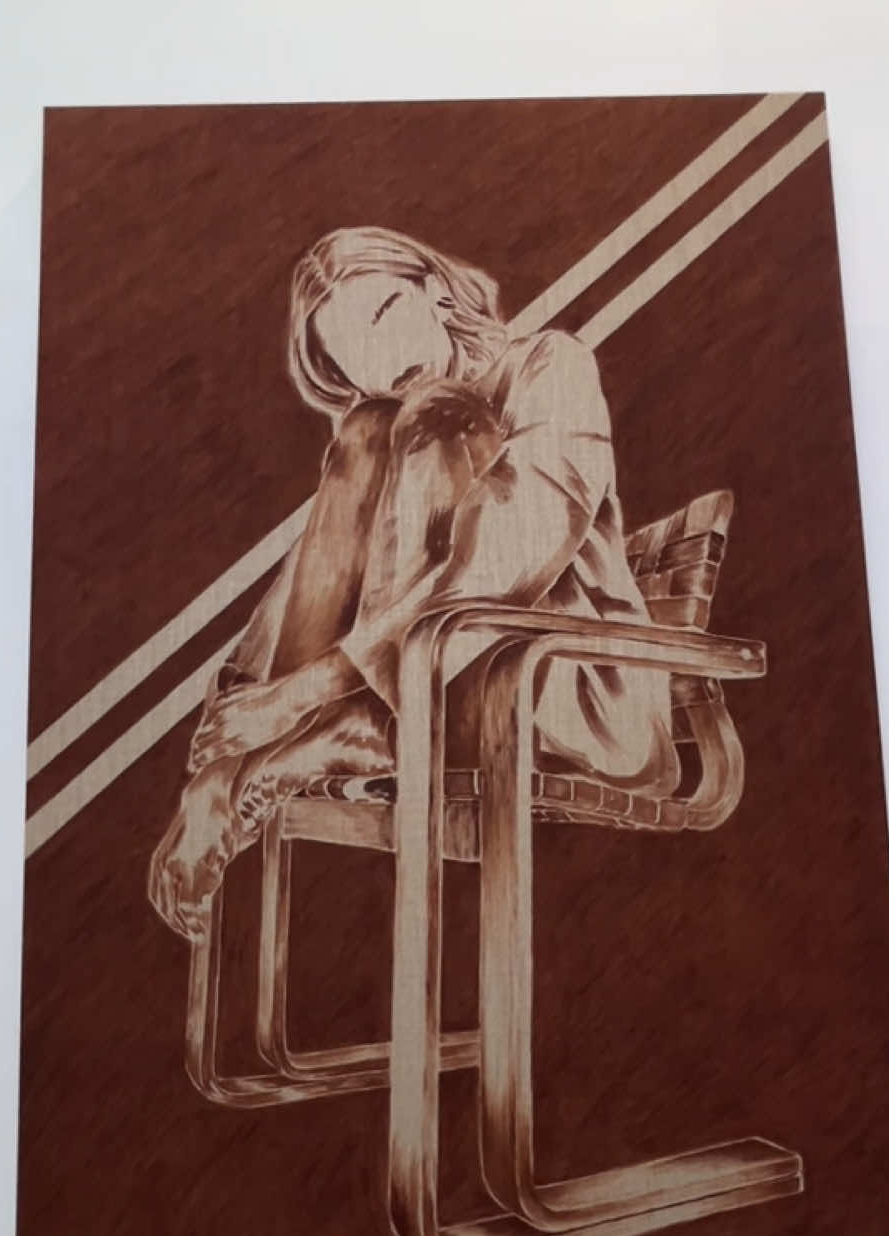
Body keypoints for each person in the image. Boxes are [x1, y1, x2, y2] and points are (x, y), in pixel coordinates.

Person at [149, 226, 678, 940]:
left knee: (434, 410)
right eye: (355, 357)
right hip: (415, 688)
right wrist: (237, 720)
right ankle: (270, 755)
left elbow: (512, 557)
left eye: (384, 314)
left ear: (431, 287)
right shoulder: (383, 425)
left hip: (557, 688)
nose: (386, 358)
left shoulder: (551, 363)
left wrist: (300, 694)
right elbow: (307, 578)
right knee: (368, 430)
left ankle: (331, 732)